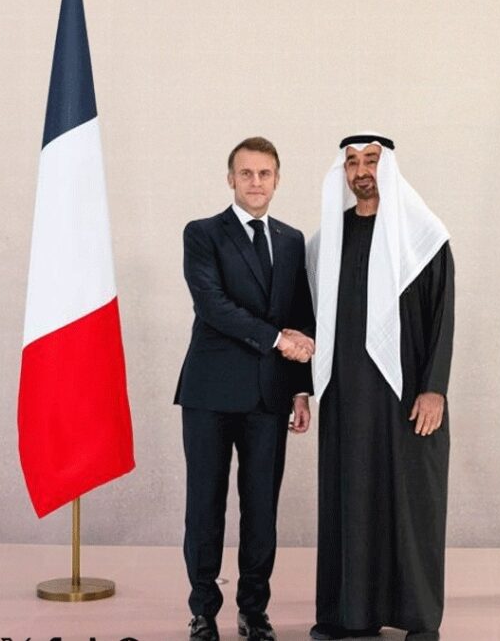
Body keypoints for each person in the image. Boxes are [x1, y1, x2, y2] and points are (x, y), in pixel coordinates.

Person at [307, 134, 455, 641]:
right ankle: (349, 616)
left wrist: (434, 388)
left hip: (407, 399)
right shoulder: (327, 241)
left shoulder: (424, 237)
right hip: (346, 400)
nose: (360, 170)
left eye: (370, 160)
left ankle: (419, 619)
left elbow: (442, 316)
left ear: (387, 167)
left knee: (412, 507)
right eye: (351, 162)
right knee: (350, 503)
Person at [175, 137, 316, 641]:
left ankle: (254, 611)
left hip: (269, 396)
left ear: (277, 179)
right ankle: (203, 611)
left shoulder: (292, 240)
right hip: (210, 393)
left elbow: (300, 312)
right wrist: (278, 339)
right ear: (230, 178)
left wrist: (300, 392)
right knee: (205, 507)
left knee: (261, 510)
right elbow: (212, 305)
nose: (256, 182)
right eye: (246, 173)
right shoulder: (202, 233)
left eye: (264, 173)